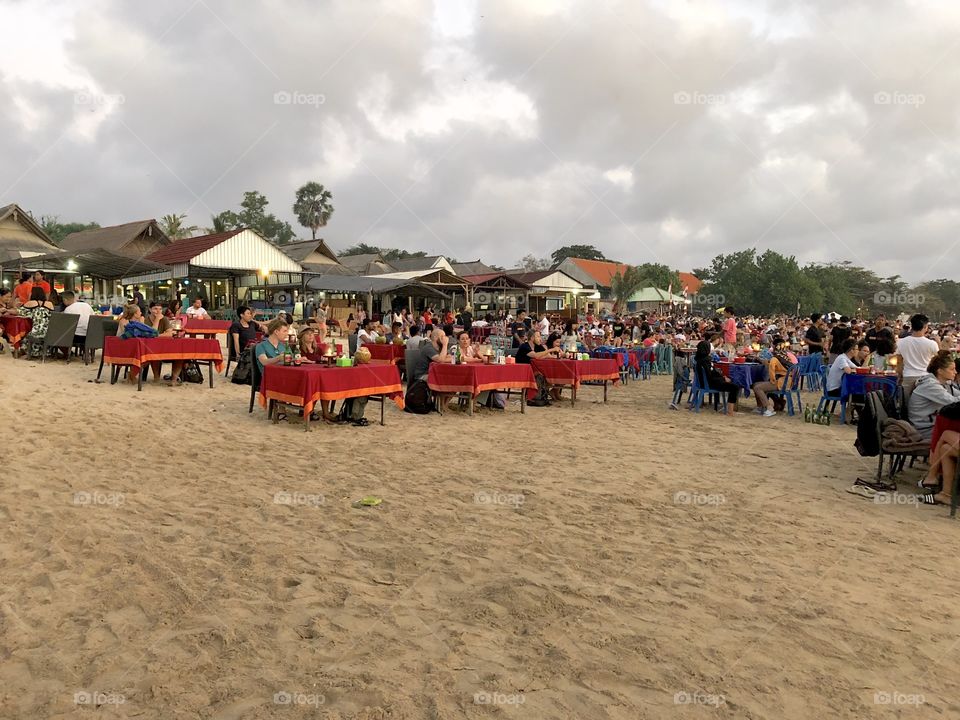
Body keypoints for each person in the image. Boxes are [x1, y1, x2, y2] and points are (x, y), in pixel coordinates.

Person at [143, 301, 186, 383]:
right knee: (154, 353)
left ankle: (174, 380)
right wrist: (157, 320)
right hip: (150, 348)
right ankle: (156, 378)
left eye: (160, 309)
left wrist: (157, 336)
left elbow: (170, 333)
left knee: (180, 355)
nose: (158, 311)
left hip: (166, 346)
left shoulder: (165, 319)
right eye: (155, 309)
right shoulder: (146, 320)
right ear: (150, 309)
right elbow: (152, 332)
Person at [693, 339, 738, 415]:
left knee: (731, 384)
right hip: (710, 383)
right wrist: (723, 378)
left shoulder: (699, 359)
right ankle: (730, 411)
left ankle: (728, 409)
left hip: (704, 382)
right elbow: (710, 375)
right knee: (734, 387)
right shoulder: (706, 360)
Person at [896, 314, 940, 392]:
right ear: (925, 327)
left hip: (908, 376)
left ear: (912, 326)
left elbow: (899, 362)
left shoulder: (901, 342)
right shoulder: (932, 344)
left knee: (907, 402)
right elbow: (939, 360)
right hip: (925, 377)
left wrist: (900, 376)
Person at [752, 338, 791, 417]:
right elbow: (769, 363)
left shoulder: (774, 358)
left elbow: (772, 372)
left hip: (781, 382)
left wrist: (771, 382)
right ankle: (760, 406)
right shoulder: (784, 356)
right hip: (788, 380)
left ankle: (769, 408)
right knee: (755, 384)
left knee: (758, 388)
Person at [16, 287, 54, 359]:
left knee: (24, 334)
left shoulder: (31, 303)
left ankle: (26, 351)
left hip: (36, 332)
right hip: (49, 333)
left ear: (33, 294)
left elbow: (19, 312)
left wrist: (16, 306)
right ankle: (41, 352)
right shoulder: (50, 304)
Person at [825, 338, 858, 403]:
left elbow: (858, 368)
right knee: (858, 396)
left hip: (839, 388)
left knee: (858, 394)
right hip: (834, 390)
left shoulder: (846, 358)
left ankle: (847, 412)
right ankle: (846, 412)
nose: (858, 351)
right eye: (857, 349)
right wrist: (854, 370)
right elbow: (848, 371)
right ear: (852, 350)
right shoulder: (842, 358)